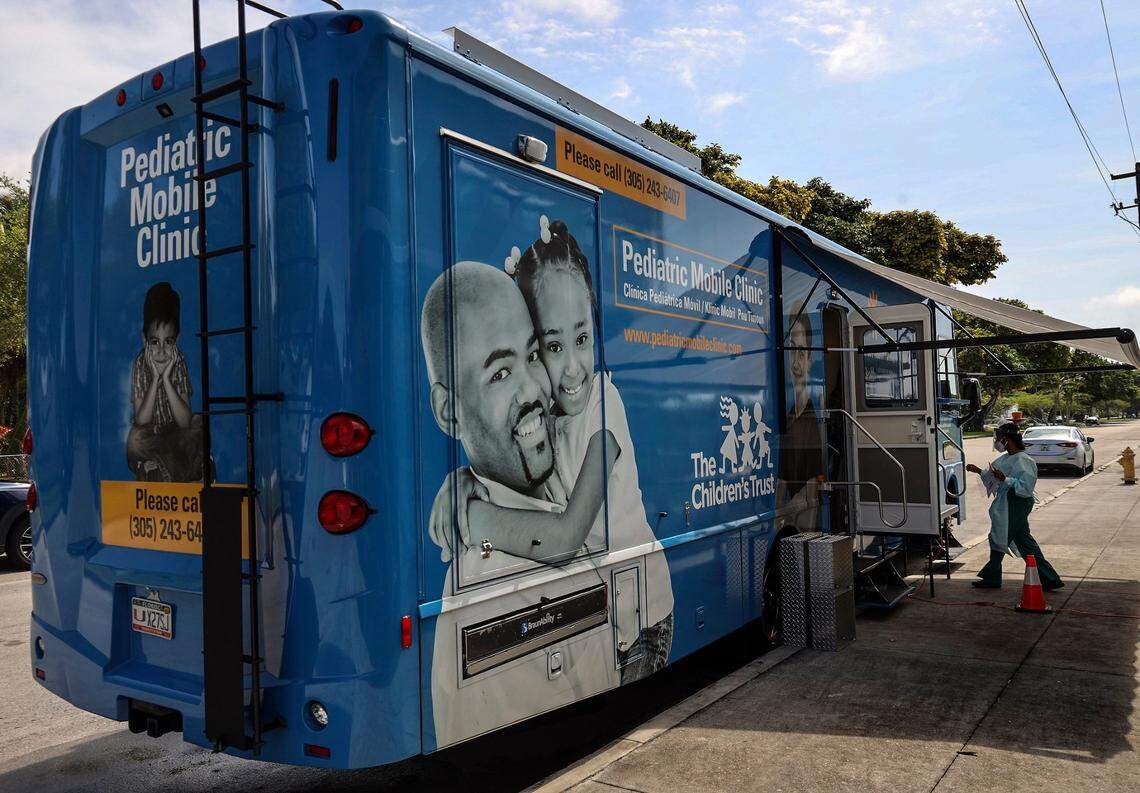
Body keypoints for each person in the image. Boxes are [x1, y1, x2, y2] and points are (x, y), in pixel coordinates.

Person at [430, 217, 673, 683]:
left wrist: (473, 519)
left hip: (645, 621)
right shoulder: (544, 417)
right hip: (604, 619)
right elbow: (509, 471)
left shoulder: (605, 405)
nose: (572, 368)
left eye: (582, 340)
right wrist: (461, 480)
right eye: (551, 347)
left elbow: (563, 538)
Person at [420, 260, 618, 748]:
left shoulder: (560, 471)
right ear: (449, 412)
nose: (535, 388)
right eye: (500, 372)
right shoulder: (489, 587)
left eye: (533, 356)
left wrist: (465, 492)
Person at [966, 422, 1064, 590]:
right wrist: (978, 471)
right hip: (1008, 502)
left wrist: (1006, 479)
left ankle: (992, 577)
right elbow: (993, 476)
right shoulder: (1006, 458)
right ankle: (1049, 578)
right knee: (1022, 541)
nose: (996, 441)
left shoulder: (1024, 460)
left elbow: (1026, 487)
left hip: (1016, 502)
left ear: (1006, 439)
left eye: (998, 437)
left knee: (999, 537)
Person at [125, 282, 203, 482]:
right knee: (134, 441)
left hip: (176, 434)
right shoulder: (141, 363)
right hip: (151, 436)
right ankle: (176, 467)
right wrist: (155, 379)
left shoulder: (179, 361)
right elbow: (142, 419)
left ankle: (158, 468)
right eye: (154, 342)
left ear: (176, 341)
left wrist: (166, 378)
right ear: (144, 340)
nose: (161, 350)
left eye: (168, 342)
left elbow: (184, 421)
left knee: (198, 426)